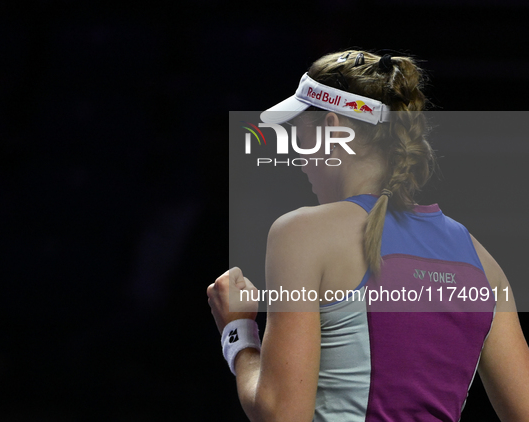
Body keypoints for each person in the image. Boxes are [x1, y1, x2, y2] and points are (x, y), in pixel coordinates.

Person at [207, 50, 529, 421]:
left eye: (300, 134)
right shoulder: (484, 263)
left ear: (332, 128)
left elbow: (281, 414)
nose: (298, 156)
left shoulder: (301, 233)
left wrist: (239, 332)